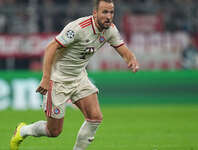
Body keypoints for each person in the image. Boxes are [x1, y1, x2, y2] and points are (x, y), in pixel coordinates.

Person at [10, 0, 139, 150]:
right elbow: (51, 48)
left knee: (95, 117)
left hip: (79, 77)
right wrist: (46, 78)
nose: (109, 16)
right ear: (95, 13)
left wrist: (131, 59)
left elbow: (122, 49)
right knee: (54, 131)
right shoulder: (78, 28)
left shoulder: (110, 29)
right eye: (104, 12)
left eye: (111, 12)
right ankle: (23, 130)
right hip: (58, 80)